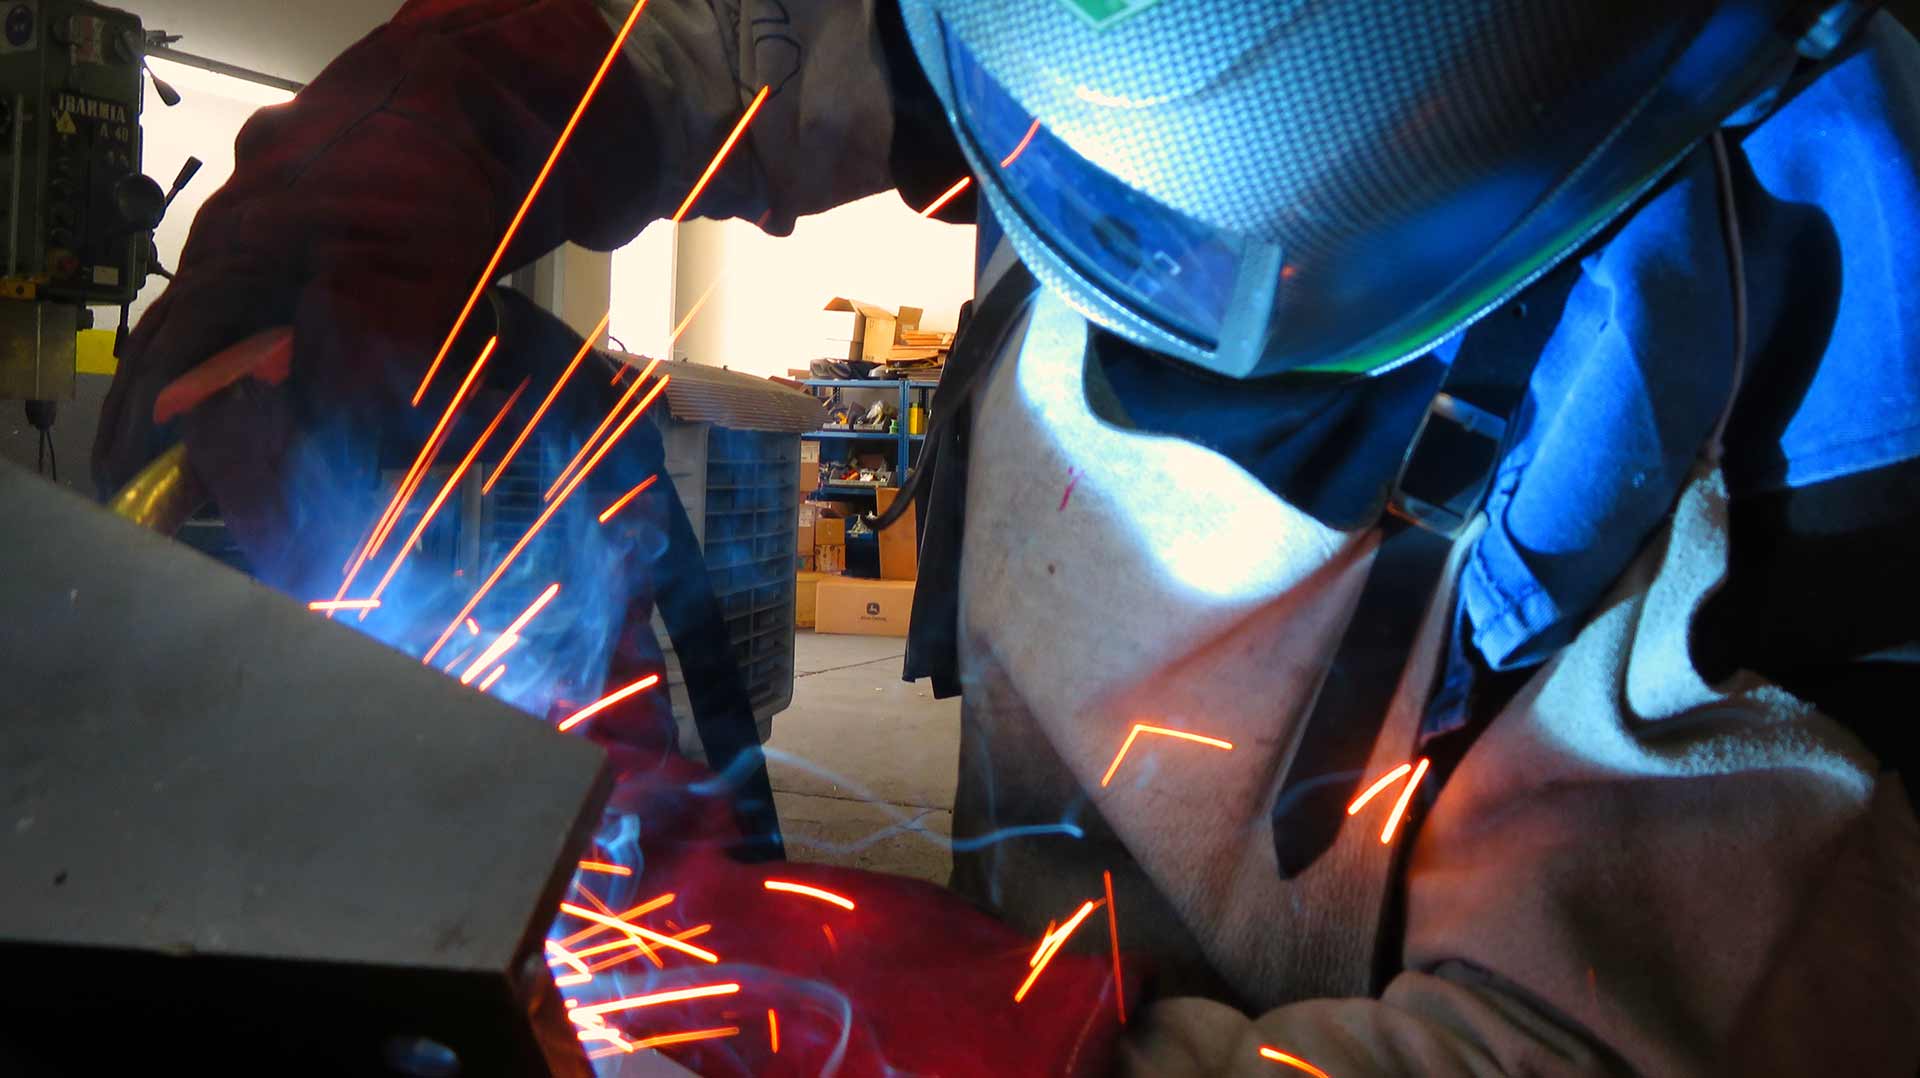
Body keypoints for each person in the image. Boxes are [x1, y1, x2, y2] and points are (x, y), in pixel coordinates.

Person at [97, 1, 1919, 1073]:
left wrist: (901, 1036)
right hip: (1049, 891)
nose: (1054, 230)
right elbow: (734, 30)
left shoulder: (1835, 354)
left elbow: (1589, 1048)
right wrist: (374, 193)